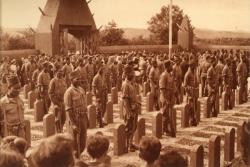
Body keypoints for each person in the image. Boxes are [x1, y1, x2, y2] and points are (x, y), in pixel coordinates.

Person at [64, 71, 89, 158]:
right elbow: (68, 110)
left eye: (79, 79)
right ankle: (75, 161)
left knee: (83, 141)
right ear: (71, 80)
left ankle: (78, 157)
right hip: (75, 119)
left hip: (83, 118)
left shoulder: (81, 89)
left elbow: (85, 105)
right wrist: (74, 124)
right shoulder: (69, 92)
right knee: (75, 143)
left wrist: (87, 119)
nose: (79, 80)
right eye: (77, 79)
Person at [121, 65, 140, 152]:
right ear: (128, 74)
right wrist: (129, 112)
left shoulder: (131, 84)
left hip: (134, 109)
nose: (134, 74)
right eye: (132, 73)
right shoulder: (125, 85)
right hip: (129, 110)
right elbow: (125, 100)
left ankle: (130, 144)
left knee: (133, 127)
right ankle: (126, 145)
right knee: (128, 128)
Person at [159, 60, 176, 137]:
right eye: (170, 66)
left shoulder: (170, 75)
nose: (172, 67)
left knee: (169, 114)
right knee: (165, 114)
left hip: (170, 97)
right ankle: (164, 129)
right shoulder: (164, 75)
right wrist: (166, 99)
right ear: (167, 67)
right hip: (165, 98)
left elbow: (172, 86)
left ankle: (166, 129)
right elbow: (162, 89)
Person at [48, 68, 67, 133]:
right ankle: (58, 131)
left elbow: (65, 90)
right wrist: (55, 102)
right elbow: (50, 93)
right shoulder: (53, 81)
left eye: (61, 72)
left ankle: (61, 128)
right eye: (59, 72)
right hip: (56, 102)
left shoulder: (63, 80)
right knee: (57, 118)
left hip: (62, 101)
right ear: (56, 72)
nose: (61, 73)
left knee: (64, 117)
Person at [183, 60, 199, 126]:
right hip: (190, 94)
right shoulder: (187, 74)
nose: (195, 67)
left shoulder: (193, 72)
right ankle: (190, 120)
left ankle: (193, 119)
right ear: (191, 66)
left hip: (194, 93)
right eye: (194, 66)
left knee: (195, 107)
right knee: (190, 107)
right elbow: (185, 85)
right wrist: (190, 91)